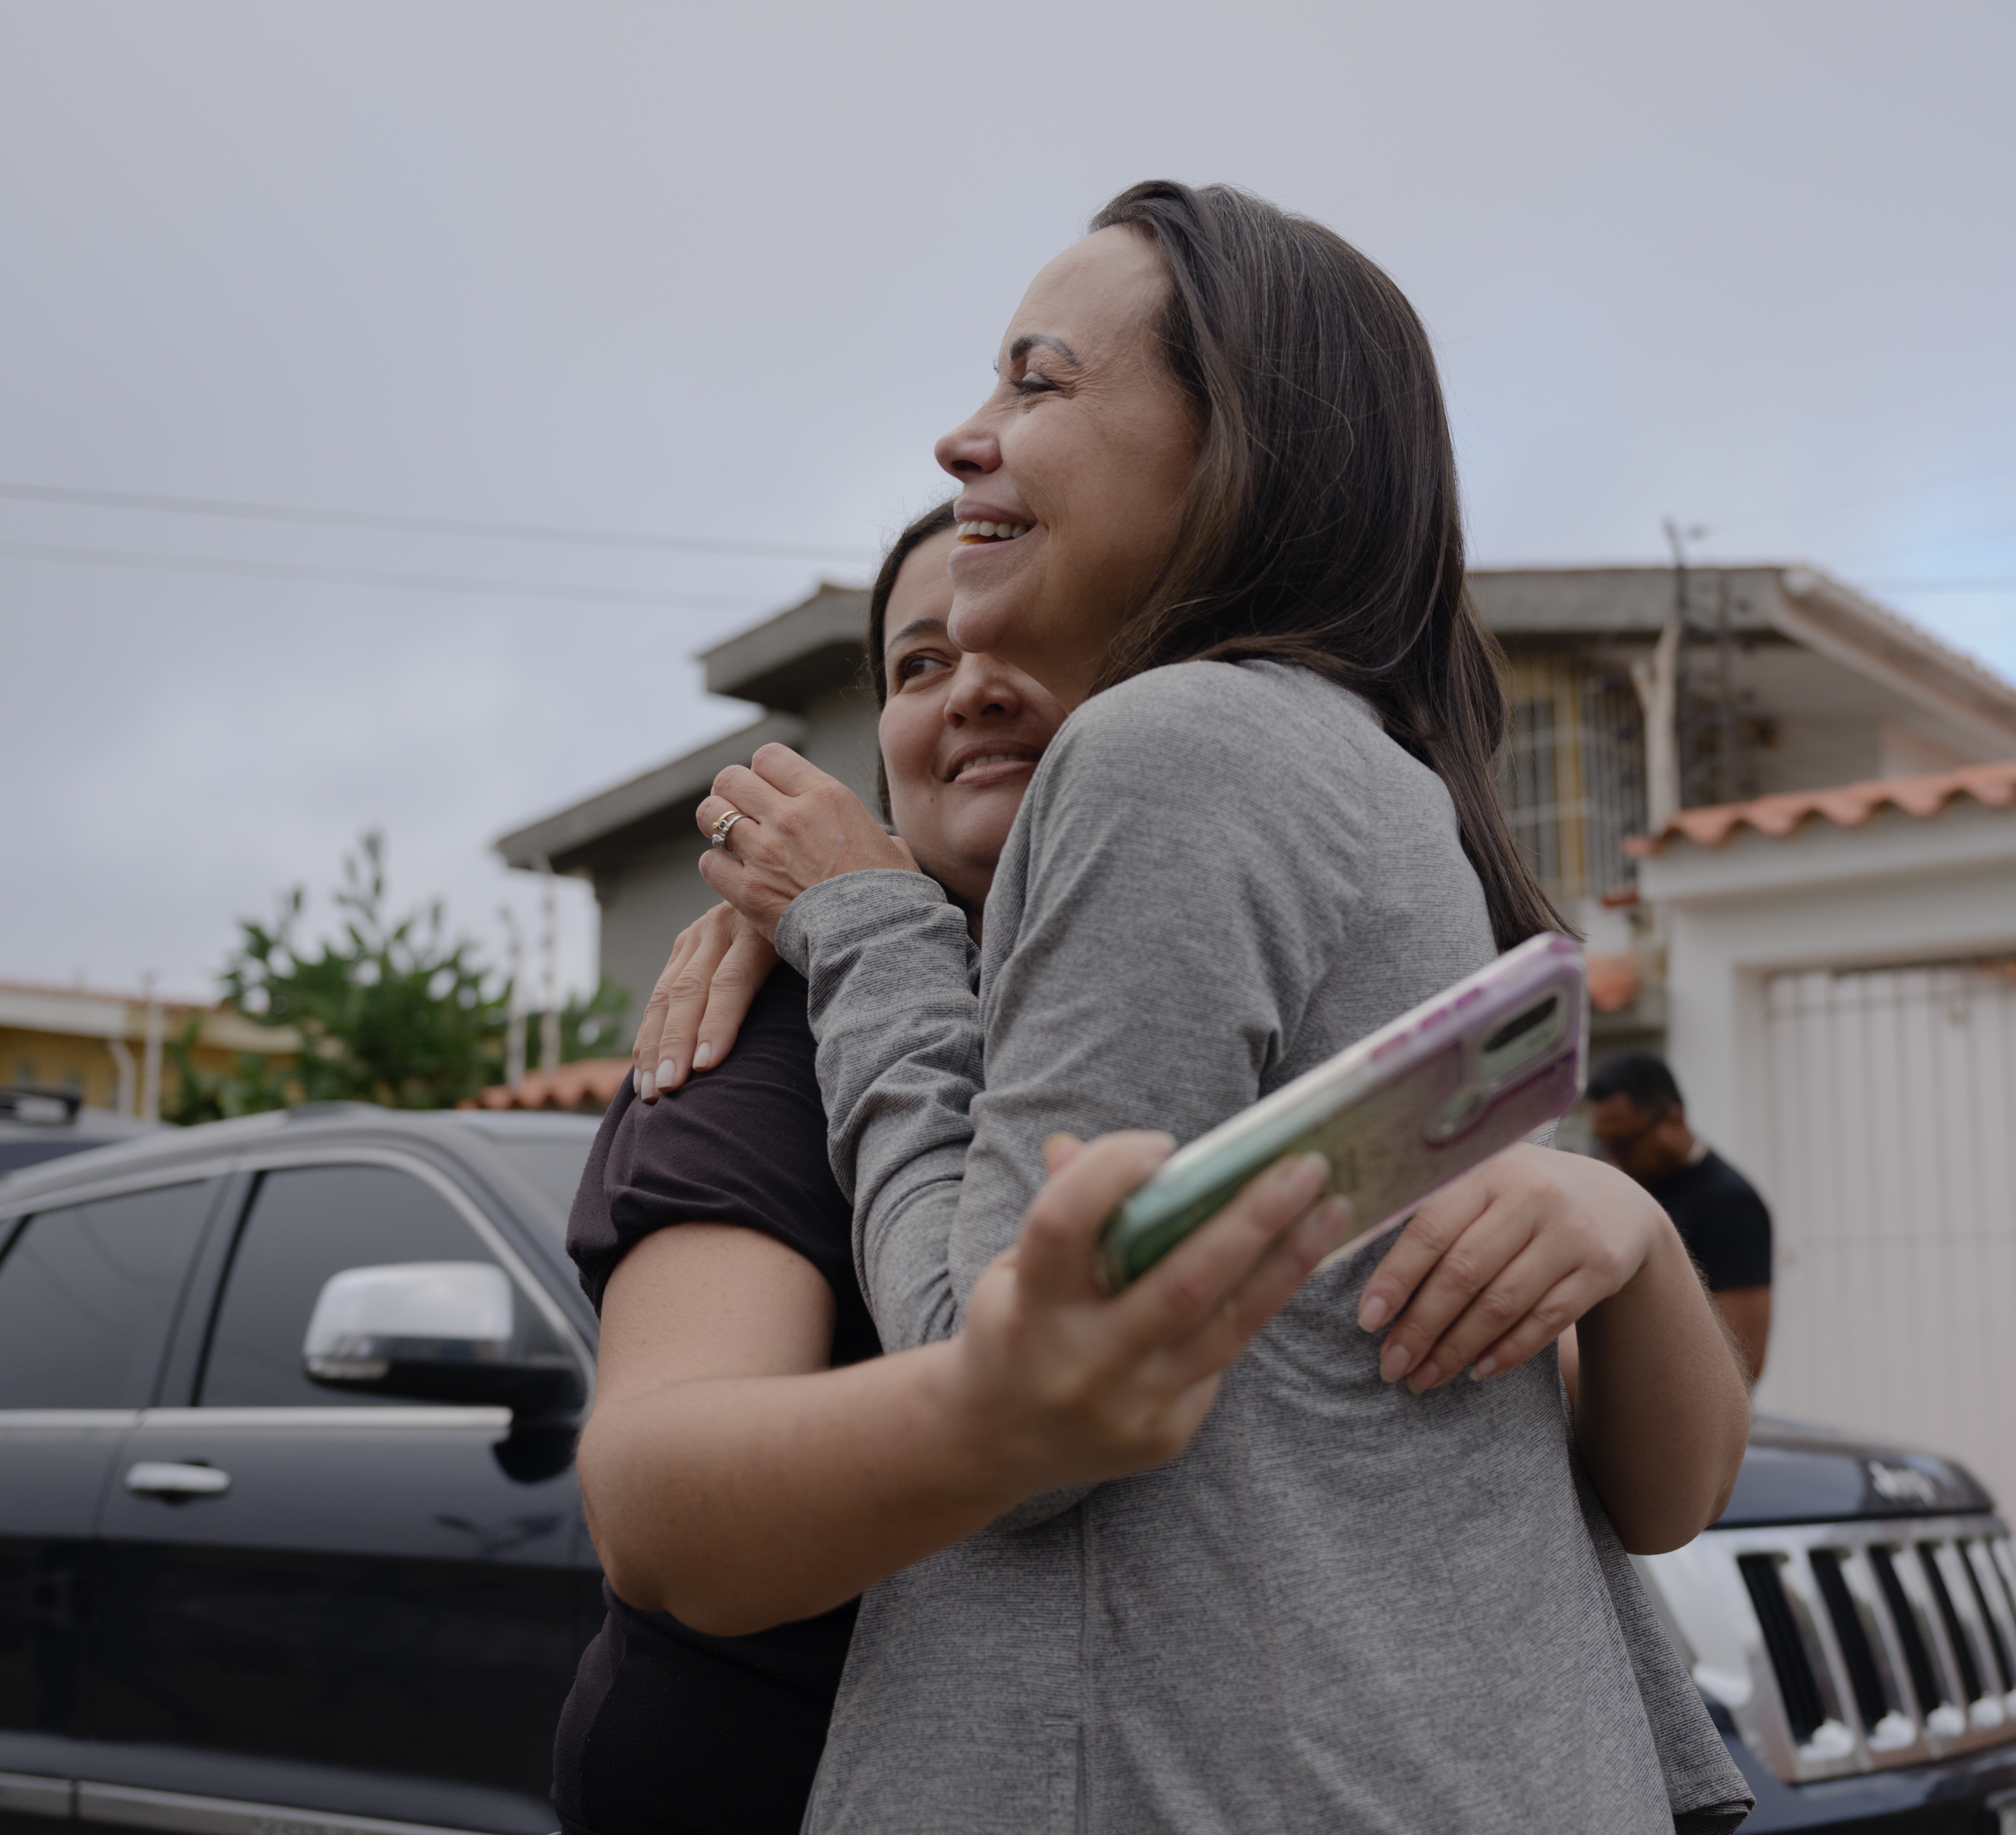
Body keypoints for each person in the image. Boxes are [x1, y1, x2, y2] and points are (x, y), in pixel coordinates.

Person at [680, 181, 1755, 1833]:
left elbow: (1008, 1392)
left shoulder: (1176, 753)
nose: (965, 440)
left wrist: (868, 929)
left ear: (1235, 447)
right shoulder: (1380, 792)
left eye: (1037, 384)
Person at [1587, 1051, 1774, 1381]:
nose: (1611, 1159)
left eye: (1622, 1144)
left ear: (1673, 1119)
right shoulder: (1639, 1188)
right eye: (1602, 1144)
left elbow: (1743, 1359)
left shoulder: (1729, 1204)